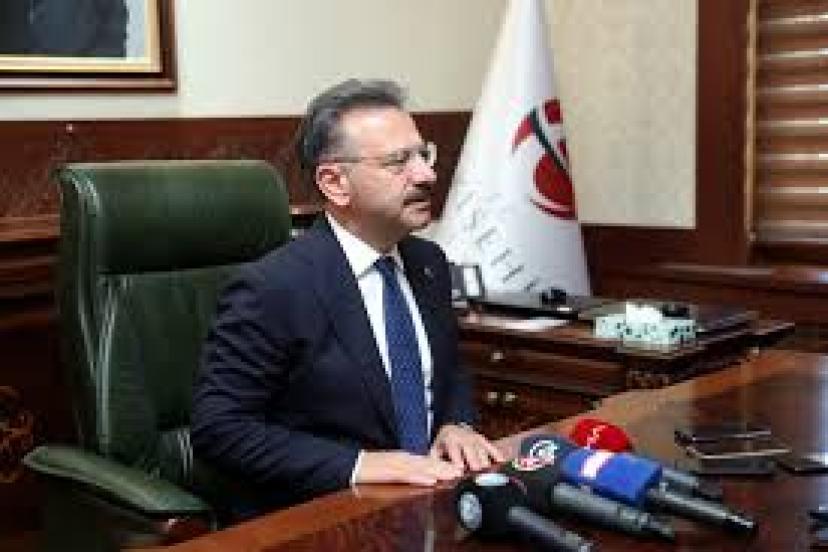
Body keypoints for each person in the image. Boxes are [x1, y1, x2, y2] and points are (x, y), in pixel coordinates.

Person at [192, 79, 504, 520]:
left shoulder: (428, 262)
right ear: (335, 183)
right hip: (327, 513)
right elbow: (220, 429)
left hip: (431, 498)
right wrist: (359, 465)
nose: (427, 175)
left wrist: (458, 423)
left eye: (424, 154)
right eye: (399, 162)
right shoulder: (273, 287)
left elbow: (448, 372)